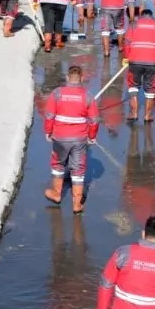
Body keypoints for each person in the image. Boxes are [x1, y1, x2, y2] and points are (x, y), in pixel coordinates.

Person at [43, 65, 100, 213]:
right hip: (79, 138)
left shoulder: (57, 93)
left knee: (58, 164)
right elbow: (94, 120)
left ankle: (56, 193)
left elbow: (49, 115)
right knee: (78, 169)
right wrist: (92, 137)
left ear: (68, 78)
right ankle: (76, 204)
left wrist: (48, 132)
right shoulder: (87, 96)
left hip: (60, 137)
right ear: (81, 79)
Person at [122, 9, 155, 123]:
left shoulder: (134, 25)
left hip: (135, 61)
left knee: (133, 86)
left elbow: (127, 42)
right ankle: (147, 116)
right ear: (151, 17)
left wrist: (126, 57)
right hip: (152, 62)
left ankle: (134, 113)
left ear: (141, 16)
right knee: (150, 89)